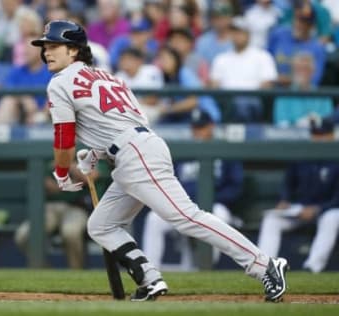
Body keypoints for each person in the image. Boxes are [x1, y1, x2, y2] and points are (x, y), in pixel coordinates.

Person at [31, 20, 289, 302]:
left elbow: (64, 139)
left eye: (54, 46)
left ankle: (264, 264)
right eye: (45, 47)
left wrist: (62, 173)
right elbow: (122, 125)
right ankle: (149, 279)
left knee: (187, 216)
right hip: (139, 147)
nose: (47, 52)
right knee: (101, 225)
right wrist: (94, 154)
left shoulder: (60, 82)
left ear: (74, 51)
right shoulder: (109, 77)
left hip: (135, 154)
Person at [142, 109, 243, 271]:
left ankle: (208, 268)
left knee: (219, 216)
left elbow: (235, 187)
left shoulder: (224, 150)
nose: (197, 132)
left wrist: (210, 199)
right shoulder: (185, 152)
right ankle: (150, 271)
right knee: (154, 219)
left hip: (215, 205)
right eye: (195, 128)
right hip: (183, 205)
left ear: (211, 127)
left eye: (201, 127)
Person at [257, 117, 339, 273]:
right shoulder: (303, 155)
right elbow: (288, 184)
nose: (318, 138)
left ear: (332, 135)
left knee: (333, 217)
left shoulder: (336, 158)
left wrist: (318, 209)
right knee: (272, 220)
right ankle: (265, 268)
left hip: (326, 210)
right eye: (315, 134)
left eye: (323, 134)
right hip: (299, 209)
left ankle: (313, 267)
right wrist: (285, 200)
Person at [210, 17, 278, 122]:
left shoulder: (262, 56)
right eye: (234, 32)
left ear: (248, 34)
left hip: (254, 100)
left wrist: (248, 95)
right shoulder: (221, 59)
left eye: (240, 32)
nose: (237, 36)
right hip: (228, 102)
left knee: (245, 104)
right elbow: (215, 85)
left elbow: (268, 83)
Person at [273, 52, 334, 127]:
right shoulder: (283, 96)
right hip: (291, 136)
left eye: (306, 69)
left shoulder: (324, 96)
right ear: (292, 71)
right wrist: (299, 124)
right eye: (298, 69)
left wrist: (317, 120)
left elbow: (329, 123)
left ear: (313, 72)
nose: (302, 73)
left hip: (318, 136)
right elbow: (280, 124)